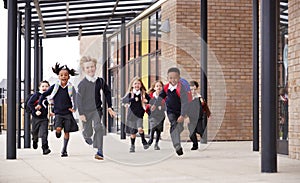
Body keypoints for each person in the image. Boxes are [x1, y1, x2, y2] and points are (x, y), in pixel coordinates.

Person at [77, 56, 116, 160]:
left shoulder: (100, 81)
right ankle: (86, 135)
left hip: (97, 109)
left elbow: (107, 92)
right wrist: (81, 113)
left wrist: (110, 107)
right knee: (89, 131)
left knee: (99, 127)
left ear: (95, 67)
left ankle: (100, 151)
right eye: (88, 68)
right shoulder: (82, 84)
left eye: (92, 67)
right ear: (84, 70)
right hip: (85, 111)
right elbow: (78, 100)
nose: (90, 69)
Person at [36, 63, 78, 157]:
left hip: (67, 112)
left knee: (67, 132)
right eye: (61, 75)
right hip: (58, 113)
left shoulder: (71, 87)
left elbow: (76, 98)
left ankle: (64, 150)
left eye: (66, 75)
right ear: (58, 76)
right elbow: (43, 94)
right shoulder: (55, 87)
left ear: (68, 77)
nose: (63, 77)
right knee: (58, 128)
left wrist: (75, 108)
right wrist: (39, 104)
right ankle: (58, 132)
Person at [153, 67, 189, 156]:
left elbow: (185, 102)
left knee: (179, 127)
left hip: (180, 111)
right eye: (171, 78)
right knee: (174, 124)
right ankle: (177, 146)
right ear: (168, 78)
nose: (173, 80)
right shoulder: (166, 87)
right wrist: (155, 104)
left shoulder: (181, 88)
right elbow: (161, 97)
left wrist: (182, 115)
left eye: (175, 77)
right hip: (170, 111)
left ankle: (174, 133)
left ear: (179, 77)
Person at [122, 77, 151, 153]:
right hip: (131, 116)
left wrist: (146, 101)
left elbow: (151, 100)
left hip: (139, 115)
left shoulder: (143, 94)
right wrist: (132, 100)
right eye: (135, 83)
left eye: (138, 83)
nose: (137, 85)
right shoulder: (131, 94)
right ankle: (132, 146)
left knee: (140, 129)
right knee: (133, 133)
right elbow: (123, 100)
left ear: (141, 85)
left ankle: (143, 141)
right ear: (132, 85)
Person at [27, 80, 51, 155]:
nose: (45, 88)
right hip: (36, 118)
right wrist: (34, 111)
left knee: (44, 134)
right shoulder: (36, 95)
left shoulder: (48, 96)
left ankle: (45, 148)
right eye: (43, 86)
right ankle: (35, 140)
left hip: (44, 118)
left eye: (46, 86)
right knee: (35, 132)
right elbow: (29, 103)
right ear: (39, 88)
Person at [146, 80, 165, 150]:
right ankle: (151, 139)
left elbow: (167, 105)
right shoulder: (150, 96)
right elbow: (147, 105)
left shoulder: (164, 96)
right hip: (152, 115)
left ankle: (156, 144)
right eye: (157, 86)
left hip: (160, 115)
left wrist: (162, 107)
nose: (159, 87)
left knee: (158, 130)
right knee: (153, 127)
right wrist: (149, 110)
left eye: (160, 86)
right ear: (154, 88)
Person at [187, 80, 204, 150]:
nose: (193, 91)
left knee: (200, 130)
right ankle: (195, 145)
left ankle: (203, 136)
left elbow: (204, 107)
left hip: (199, 118)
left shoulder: (199, 98)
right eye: (191, 89)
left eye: (194, 89)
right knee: (191, 134)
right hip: (191, 118)